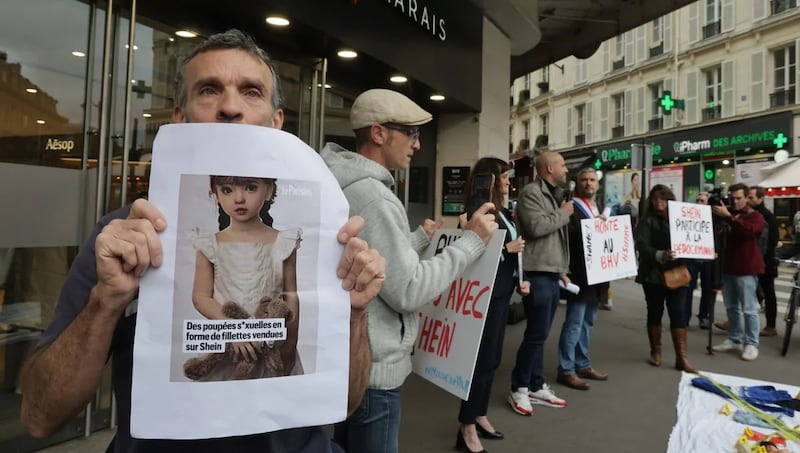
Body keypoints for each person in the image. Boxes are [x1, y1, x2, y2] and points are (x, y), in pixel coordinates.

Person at [20, 29, 387, 452]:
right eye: (209, 90)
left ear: (276, 122)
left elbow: (345, 400)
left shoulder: (322, 234)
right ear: (180, 117)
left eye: (251, 92)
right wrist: (105, 302)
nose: (230, 107)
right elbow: (38, 416)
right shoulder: (122, 239)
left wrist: (355, 315)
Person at [321, 89, 497, 453]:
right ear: (379, 133)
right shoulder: (374, 195)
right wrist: (473, 242)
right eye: (411, 132)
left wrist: (414, 239)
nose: (417, 144)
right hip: (375, 370)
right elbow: (409, 290)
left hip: (354, 360)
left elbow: (375, 261)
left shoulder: (347, 183)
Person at [183, 176, 303, 380]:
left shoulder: (284, 242)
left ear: (268, 190)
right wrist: (233, 329)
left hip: (272, 350)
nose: (239, 198)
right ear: (215, 194)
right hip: (229, 350)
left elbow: (291, 295)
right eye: (227, 190)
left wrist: (291, 344)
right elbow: (201, 296)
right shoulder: (209, 244)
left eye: (250, 188)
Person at [455, 158, 530, 453]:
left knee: (492, 359)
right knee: (481, 361)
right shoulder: (480, 208)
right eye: (504, 177)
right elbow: (473, 251)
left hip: (499, 293)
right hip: (483, 296)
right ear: (491, 178)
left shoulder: (499, 209)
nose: (508, 182)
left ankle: (478, 414)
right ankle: (466, 427)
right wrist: (506, 249)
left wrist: (518, 278)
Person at [508, 150, 572, 416]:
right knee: (535, 334)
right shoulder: (531, 193)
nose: (566, 169)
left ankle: (535, 384)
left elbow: (553, 240)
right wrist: (563, 213)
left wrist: (561, 270)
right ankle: (519, 387)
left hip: (549, 272)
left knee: (541, 334)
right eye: (562, 165)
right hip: (536, 272)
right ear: (548, 169)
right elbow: (535, 227)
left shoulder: (552, 194)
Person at [556, 167, 609, 391]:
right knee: (574, 323)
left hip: (598, 274)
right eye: (584, 180)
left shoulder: (598, 207)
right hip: (579, 273)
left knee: (588, 322)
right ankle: (566, 369)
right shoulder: (571, 207)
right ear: (578, 184)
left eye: (592, 180)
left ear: (597, 185)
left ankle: (583, 363)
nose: (588, 183)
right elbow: (564, 238)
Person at [635, 184, 696, 373]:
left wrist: (706, 252)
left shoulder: (682, 219)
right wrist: (661, 254)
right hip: (653, 275)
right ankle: (656, 351)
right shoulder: (647, 221)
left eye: (662, 198)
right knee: (655, 312)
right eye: (655, 199)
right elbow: (641, 246)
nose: (658, 202)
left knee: (678, 313)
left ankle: (682, 358)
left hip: (678, 273)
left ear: (669, 200)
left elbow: (693, 240)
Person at [711, 183, 765, 361]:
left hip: (747, 269)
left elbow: (750, 231)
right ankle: (734, 338)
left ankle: (751, 343)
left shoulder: (754, 215)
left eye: (738, 198)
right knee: (732, 307)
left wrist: (730, 217)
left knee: (749, 309)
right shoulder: (728, 214)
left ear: (747, 197)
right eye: (732, 198)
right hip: (728, 268)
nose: (734, 201)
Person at [747, 186, 779, 337]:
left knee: (768, 292)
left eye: (751, 197)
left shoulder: (768, 217)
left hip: (765, 261)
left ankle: (771, 325)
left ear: (760, 199)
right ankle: (735, 320)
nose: (748, 199)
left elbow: (773, 240)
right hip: (752, 259)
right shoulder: (748, 213)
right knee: (745, 290)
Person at [684, 192, 715, 329]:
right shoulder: (689, 217)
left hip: (708, 259)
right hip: (692, 259)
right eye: (697, 200)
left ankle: (704, 316)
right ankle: (685, 319)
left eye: (702, 201)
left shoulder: (713, 218)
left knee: (707, 289)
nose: (699, 203)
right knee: (688, 288)